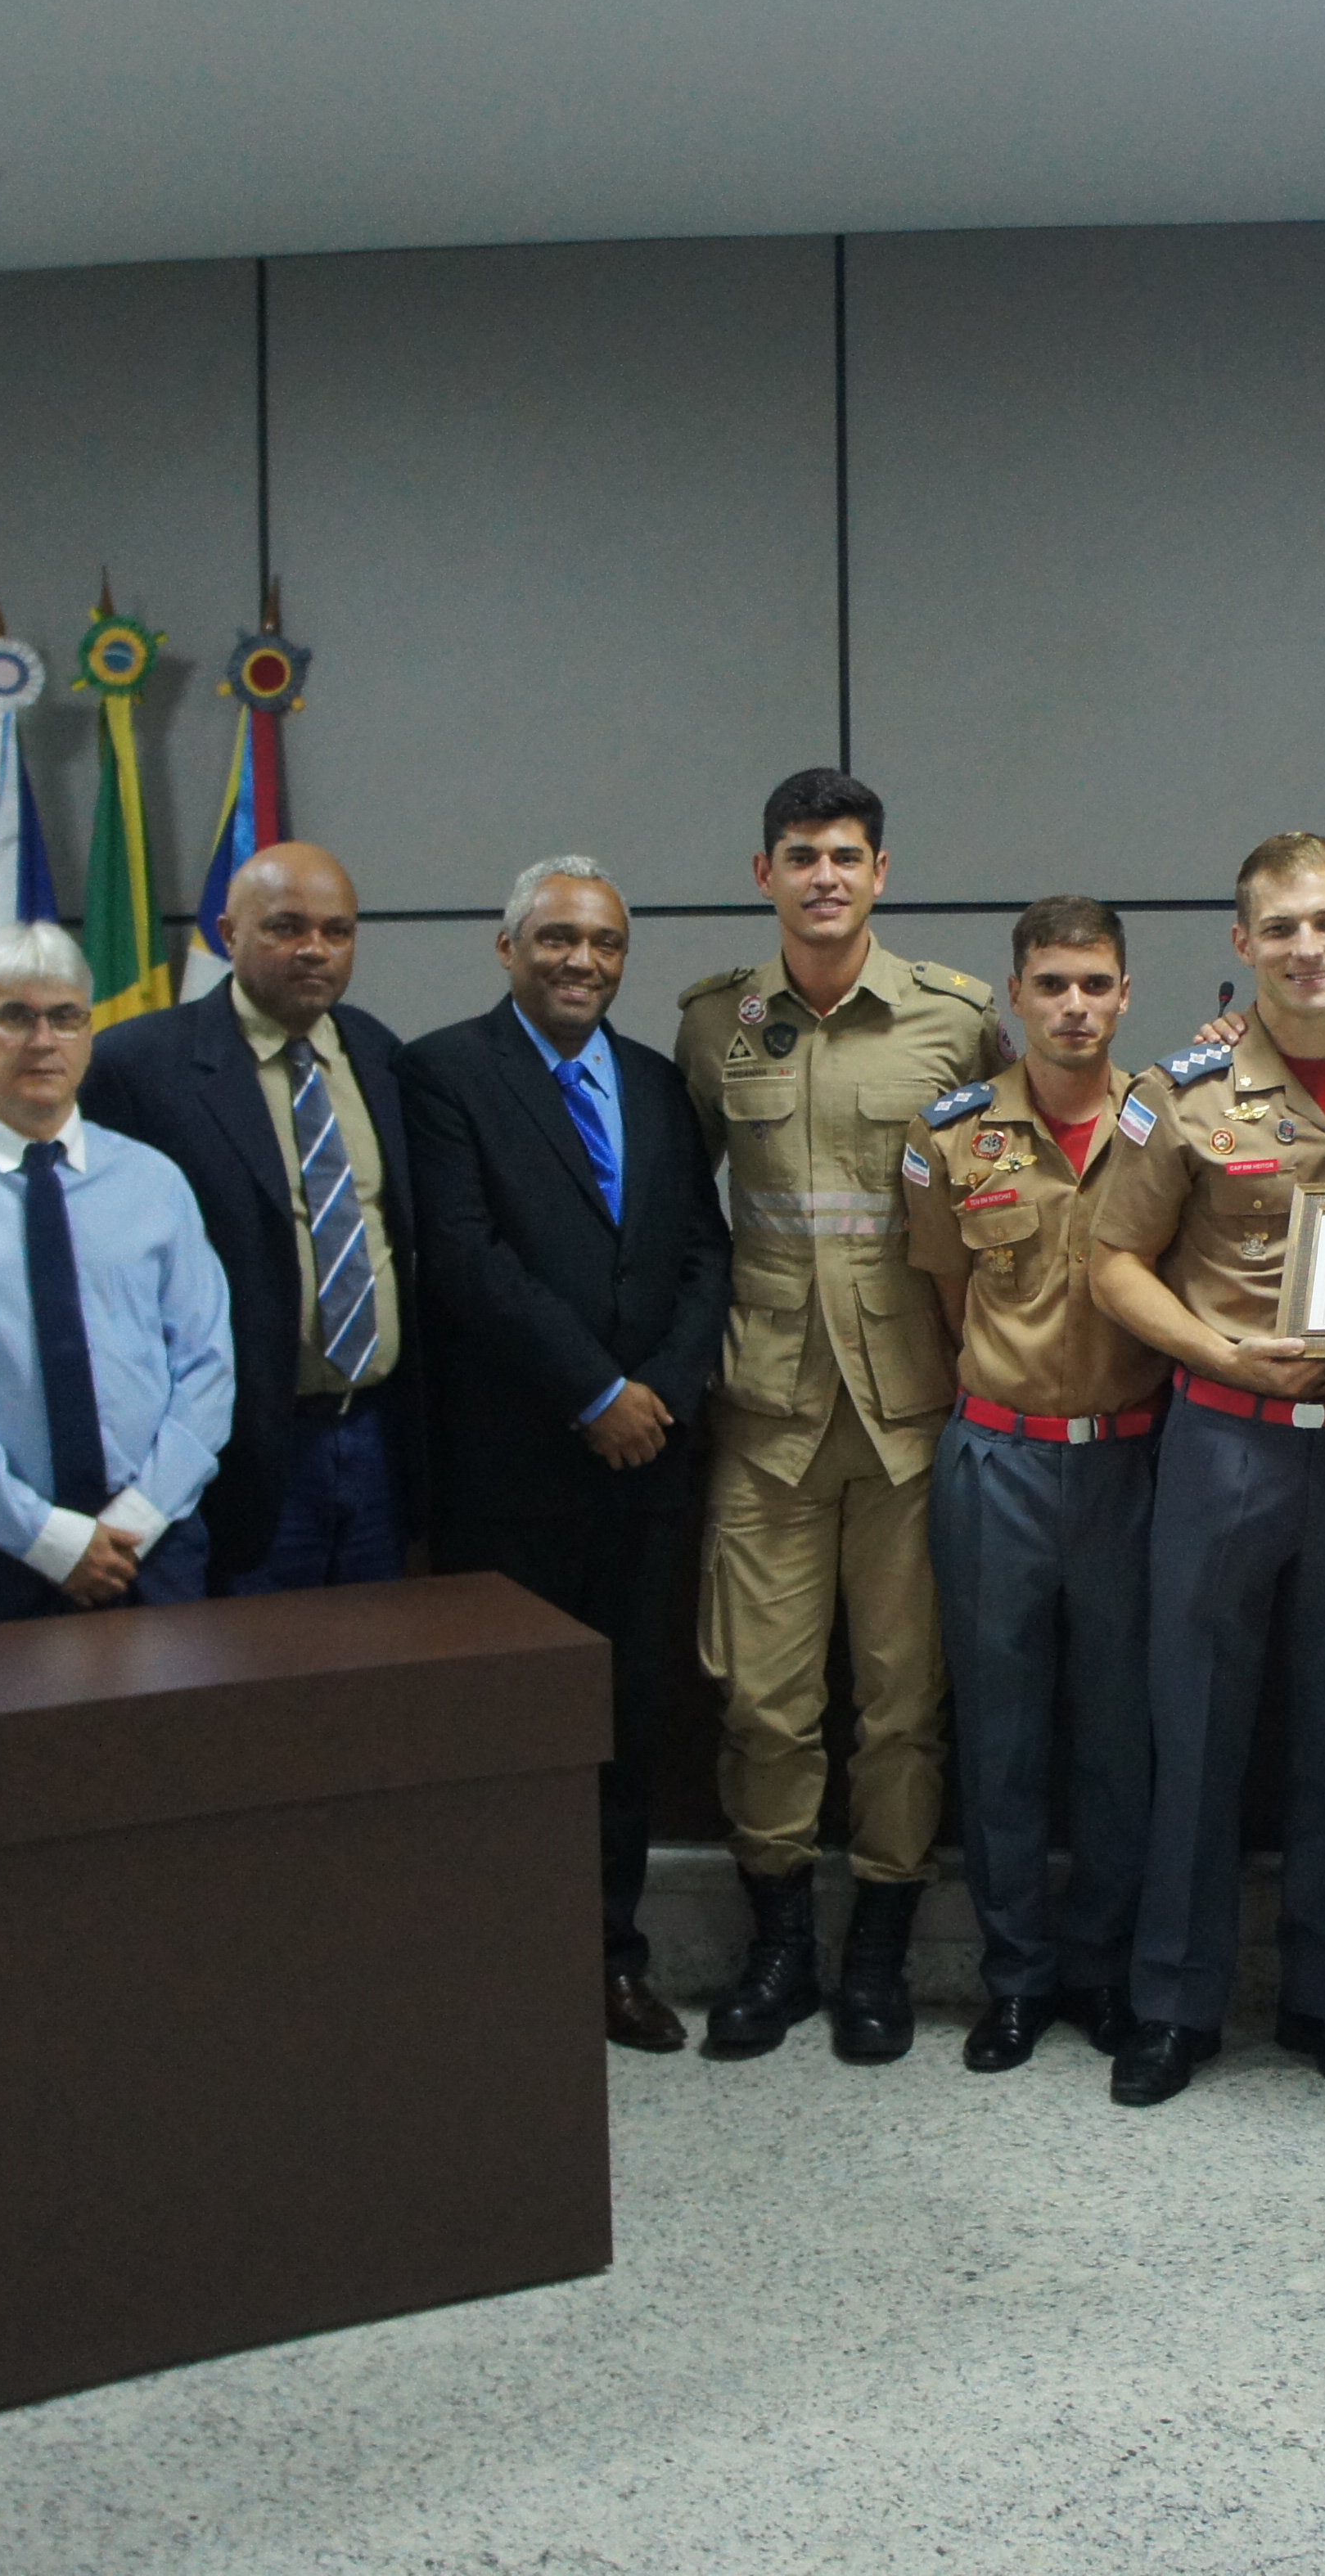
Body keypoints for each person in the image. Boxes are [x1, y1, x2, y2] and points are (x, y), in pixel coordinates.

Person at [1084, 831, 1325, 2107]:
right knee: (1197, 1726)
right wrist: (1224, 1351)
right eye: (1282, 928)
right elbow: (1113, 1264)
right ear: (1243, 945)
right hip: (1226, 1444)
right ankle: (1173, 2005)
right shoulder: (1174, 1094)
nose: (1310, 948)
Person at [671, 769, 1012, 2063]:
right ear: (764, 875)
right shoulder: (720, 1024)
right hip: (766, 1410)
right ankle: (778, 1950)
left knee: (901, 1702)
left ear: (883, 874)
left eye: (848, 855)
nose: (825, 875)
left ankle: (876, 1955)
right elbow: (673, 1204)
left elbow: (1007, 1184)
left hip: (911, 1410)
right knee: (762, 1701)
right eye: (801, 854)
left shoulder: (956, 1021)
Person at [401, 857, 731, 2056]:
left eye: (602, 942)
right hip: (514, 1469)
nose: (581, 961)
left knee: (623, 1719)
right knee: (512, 1730)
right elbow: (467, 1255)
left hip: (648, 1468)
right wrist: (593, 1391)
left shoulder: (654, 1083)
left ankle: (610, 1958)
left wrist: (663, 1393)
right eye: (555, 939)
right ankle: (509, 1965)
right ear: (507, 948)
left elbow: (706, 1251)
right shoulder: (442, 1072)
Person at [902, 896, 1170, 2074]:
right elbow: (950, 1302)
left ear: (1124, 995)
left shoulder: (1165, 1127)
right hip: (998, 1459)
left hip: (1132, 1462)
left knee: (1119, 1738)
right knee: (1001, 1736)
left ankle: (1103, 1975)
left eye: (1095, 985)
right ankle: (1012, 1982)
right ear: (1014, 995)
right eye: (1051, 984)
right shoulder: (951, 1136)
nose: (1073, 1007)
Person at [0, 923, 236, 1627]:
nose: (42, 1040)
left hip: (152, 1545)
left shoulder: (154, 1183)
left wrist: (137, 1521)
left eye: (65, 1017)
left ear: (89, 1034)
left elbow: (209, 1367)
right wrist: (48, 1538)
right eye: (14, 1017)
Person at [82, 841, 417, 1596]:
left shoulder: (381, 1054)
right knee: (256, 1688)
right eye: (286, 928)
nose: (315, 950)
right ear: (228, 933)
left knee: (380, 1680)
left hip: (377, 1437)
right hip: (238, 1450)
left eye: (338, 931)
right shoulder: (138, 1068)